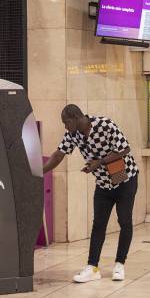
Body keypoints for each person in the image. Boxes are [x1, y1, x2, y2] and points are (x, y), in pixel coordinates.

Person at [43, 104, 139, 282]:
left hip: (125, 178)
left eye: (66, 122)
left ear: (76, 117)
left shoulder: (105, 125)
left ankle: (120, 264)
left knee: (124, 220)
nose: (65, 126)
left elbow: (125, 149)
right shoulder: (73, 134)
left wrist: (99, 162)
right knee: (98, 224)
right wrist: (39, 172)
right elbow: (58, 155)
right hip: (103, 183)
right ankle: (92, 267)